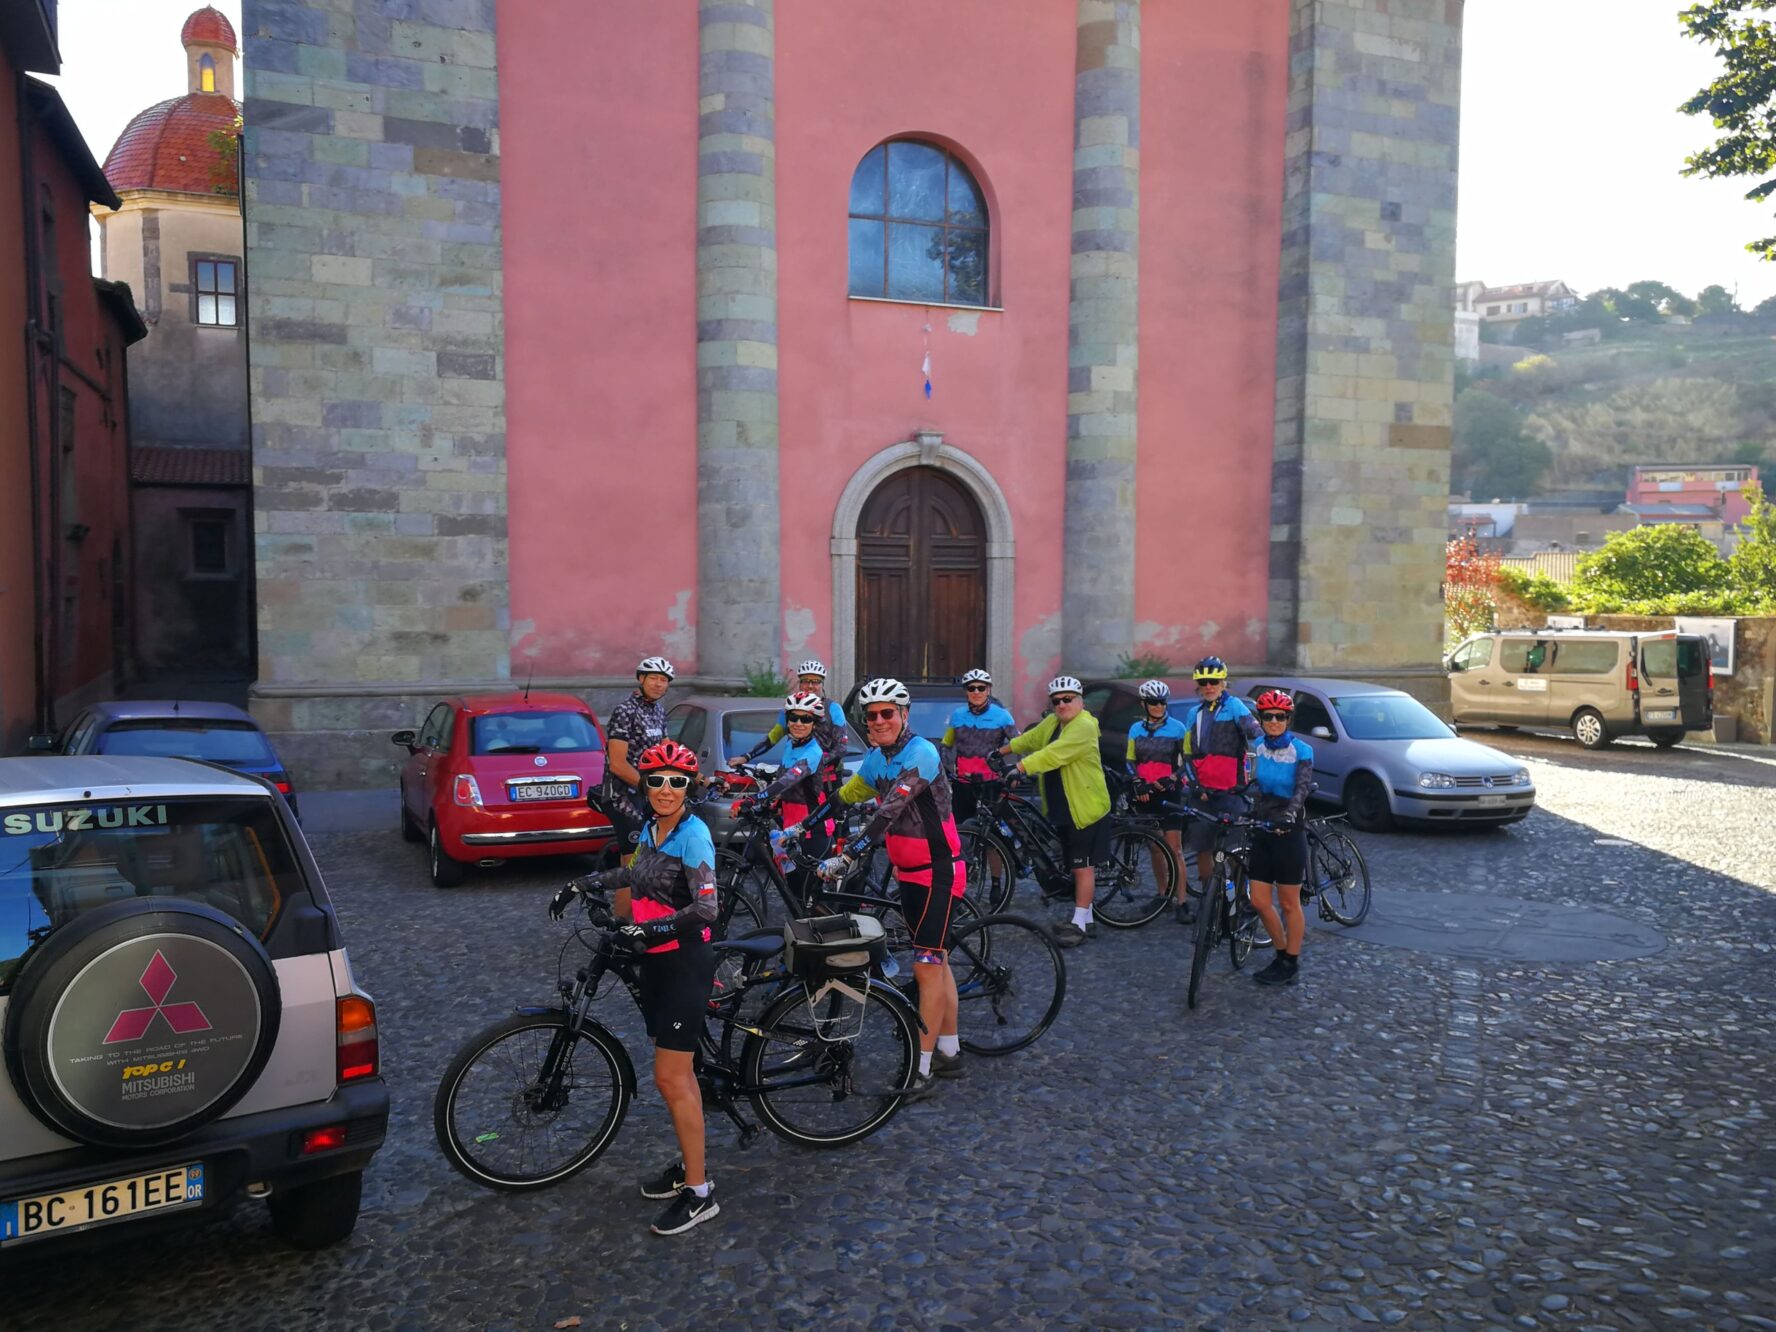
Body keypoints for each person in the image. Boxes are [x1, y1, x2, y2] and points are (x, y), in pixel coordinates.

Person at [549, 739, 720, 1235]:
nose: (666, 789)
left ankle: (701, 1193)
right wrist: (584, 883)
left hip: (684, 960)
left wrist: (647, 930)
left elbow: (707, 909)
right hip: (658, 963)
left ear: (688, 787)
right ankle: (691, 1168)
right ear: (643, 784)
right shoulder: (653, 826)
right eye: (657, 780)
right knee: (677, 1075)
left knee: (670, 1077)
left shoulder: (694, 836)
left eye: (677, 781)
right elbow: (636, 872)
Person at [796, 678, 964, 1100]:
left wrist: (849, 854)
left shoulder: (921, 753)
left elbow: (890, 810)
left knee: (926, 967)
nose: (879, 720)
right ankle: (950, 1049)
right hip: (909, 874)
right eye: (872, 716)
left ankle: (920, 1070)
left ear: (904, 715)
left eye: (887, 713)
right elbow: (845, 796)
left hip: (939, 873)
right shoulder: (876, 759)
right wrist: (801, 826)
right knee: (937, 964)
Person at [1001, 675, 1110, 949]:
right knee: (1074, 863)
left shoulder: (1083, 726)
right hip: (1064, 806)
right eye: (1057, 701)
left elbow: (1054, 753)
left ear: (1080, 701)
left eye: (1068, 699)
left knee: (1082, 866)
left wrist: (1021, 767)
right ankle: (1085, 916)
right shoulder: (1054, 722)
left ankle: (1079, 925)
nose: (1062, 704)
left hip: (1084, 806)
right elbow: (1032, 739)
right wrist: (1001, 751)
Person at [1245, 690, 1314, 987]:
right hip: (1261, 826)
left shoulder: (1302, 750)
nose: (1274, 721)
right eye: (1268, 716)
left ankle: (1291, 961)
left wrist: (1290, 814)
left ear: (1288, 719)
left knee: (1288, 903)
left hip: (1288, 829)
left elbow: (1302, 788)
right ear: (1260, 719)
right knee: (1260, 900)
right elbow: (1250, 783)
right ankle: (1281, 953)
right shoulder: (1256, 747)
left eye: (1280, 716)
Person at [1177, 656, 1260, 900]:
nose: (1209, 686)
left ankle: (1241, 900)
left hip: (1232, 793)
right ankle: (1209, 899)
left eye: (1214, 681)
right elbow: (1188, 753)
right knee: (1203, 848)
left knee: (1235, 852)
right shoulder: (1194, 713)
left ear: (1223, 682)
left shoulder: (1235, 707)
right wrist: (1194, 784)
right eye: (1203, 682)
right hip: (1202, 794)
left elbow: (1255, 732)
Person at [741, 692, 834, 903]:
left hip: (812, 829)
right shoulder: (791, 745)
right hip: (791, 825)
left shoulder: (813, 752)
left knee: (805, 897)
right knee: (793, 892)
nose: (798, 723)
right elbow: (783, 781)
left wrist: (754, 799)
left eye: (806, 719)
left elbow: (787, 780)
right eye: (794, 718)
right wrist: (774, 803)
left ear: (815, 723)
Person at [1125, 679, 1190, 923]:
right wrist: (1136, 782)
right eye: (1153, 702)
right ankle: (1163, 895)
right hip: (1146, 794)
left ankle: (1181, 902)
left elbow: (1187, 763)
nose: (1158, 706)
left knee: (1175, 850)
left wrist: (1173, 778)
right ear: (1144, 704)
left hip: (1169, 794)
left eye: (1162, 702)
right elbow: (1130, 761)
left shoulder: (1178, 729)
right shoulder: (1135, 730)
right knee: (1155, 847)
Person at [601, 656, 675, 862]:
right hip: (621, 796)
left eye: (664, 680)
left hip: (646, 792)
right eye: (653, 678)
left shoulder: (658, 711)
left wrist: (700, 778)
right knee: (633, 866)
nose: (659, 684)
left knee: (655, 857)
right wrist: (650, 787)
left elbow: (669, 751)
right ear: (641, 678)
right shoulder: (625, 711)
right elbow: (617, 764)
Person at [731, 660, 850, 780]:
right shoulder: (789, 710)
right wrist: (746, 757)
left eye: (815, 682)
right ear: (799, 684)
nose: (810, 686)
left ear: (822, 684)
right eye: (805, 681)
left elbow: (841, 748)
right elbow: (773, 738)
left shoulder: (833, 708)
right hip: (794, 778)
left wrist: (811, 762)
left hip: (827, 778)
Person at [940, 668, 1018, 826]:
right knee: (960, 827)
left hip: (992, 782)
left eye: (981, 688)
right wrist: (946, 771)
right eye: (971, 688)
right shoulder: (957, 715)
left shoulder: (1002, 715)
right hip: (963, 783)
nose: (976, 692)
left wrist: (1016, 770)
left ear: (988, 690)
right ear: (966, 692)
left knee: (993, 830)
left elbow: (1018, 744)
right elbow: (946, 745)